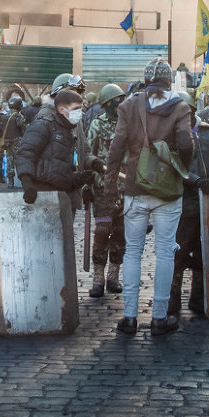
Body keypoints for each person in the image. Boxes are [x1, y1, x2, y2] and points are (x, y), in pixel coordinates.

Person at [102, 59, 193, 337]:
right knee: (165, 252)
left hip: (134, 188)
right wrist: (180, 169)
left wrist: (110, 188)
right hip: (167, 191)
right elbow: (187, 144)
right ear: (168, 82)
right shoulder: (179, 106)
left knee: (133, 252)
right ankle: (159, 318)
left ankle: (129, 318)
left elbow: (116, 149)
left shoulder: (129, 106)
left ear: (145, 80)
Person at [169, 102, 209, 318]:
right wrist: (195, 181)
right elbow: (173, 166)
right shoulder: (173, 137)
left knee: (205, 253)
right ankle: (172, 299)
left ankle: (199, 297)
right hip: (185, 205)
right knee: (178, 252)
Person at [14, 89, 100, 212]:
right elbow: (25, 153)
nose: (80, 113)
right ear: (61, 110)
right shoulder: (43, 125)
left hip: (64, 195)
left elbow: (71, 159)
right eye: (76, 109)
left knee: (65, 231)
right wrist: (27, 182)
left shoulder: (70, 128)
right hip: (42, 195)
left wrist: (87, 168)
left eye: (81, 108)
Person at [86, 83, 127, 298]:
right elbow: (88, 155)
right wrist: (88, 184)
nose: (119, 103)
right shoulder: (97, 125)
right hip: (102, 187)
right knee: (102, 232)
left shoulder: (129, 123)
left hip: (124, 187)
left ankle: (113, 276)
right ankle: (98, 278)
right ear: (106, 104)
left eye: (121, 99)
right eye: (115, 100)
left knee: (120, 233)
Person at [2, 97, 27, 188]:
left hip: (7, 142)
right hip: (18, 142)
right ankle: (23, 182)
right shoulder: (19, 117)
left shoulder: (4, 116)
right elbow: (24, 130)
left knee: (9, 161)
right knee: (20, 161)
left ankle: (10, 182)